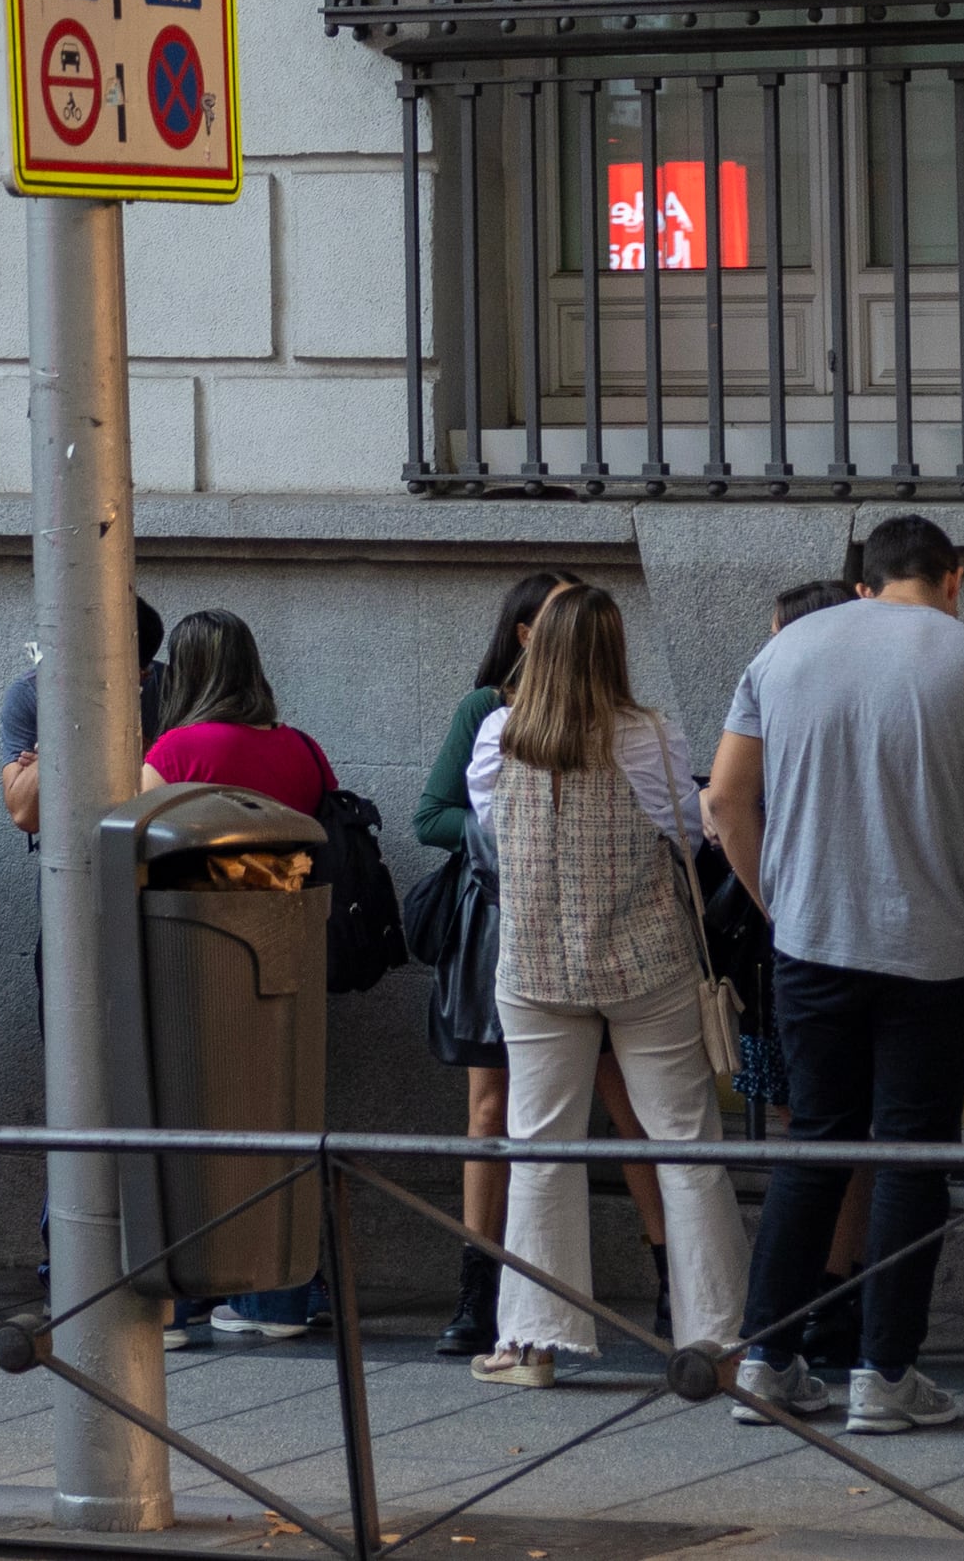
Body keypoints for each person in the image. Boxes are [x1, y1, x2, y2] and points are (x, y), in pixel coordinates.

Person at [701, 510, 964, 1438]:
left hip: (813, 943)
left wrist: (781, 899)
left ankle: (769, 1361)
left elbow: (726, 797)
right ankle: (884, 1374)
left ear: (864, 580)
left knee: (816, 1144)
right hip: (936, 949)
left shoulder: (787, 651)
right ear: (955, 577)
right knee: (910, 1153)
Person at [466, 586, 745, 1386]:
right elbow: (688, 834)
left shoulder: (498, 735)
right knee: (685, 1145)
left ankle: (533, 1342)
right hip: (643, 962)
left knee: (539, 1146)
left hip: (536, 967)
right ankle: (715, 1340)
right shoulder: (649, 735)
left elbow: (490, 832)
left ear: (537, 647)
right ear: (615, 649)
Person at [141, 611, 338, 1339]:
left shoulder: (175, 749)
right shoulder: (301, 750)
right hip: (289, 959)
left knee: (184, 1127)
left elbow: (133, 842)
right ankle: (276, 1296)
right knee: (281, 1120)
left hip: (190, 971)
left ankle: (182, 1292)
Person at [413, 571, 584, 1355]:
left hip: (585, 927)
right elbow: (431, 816)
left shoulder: (605, 710)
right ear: (522, 632)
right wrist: (511, 840)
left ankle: (645, 1287)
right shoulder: (487, 710)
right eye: (554, 617)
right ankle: (475, 1295)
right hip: (497, 923)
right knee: (490, 1110)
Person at [0, 598, 165, 845]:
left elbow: (178, 792)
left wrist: (59, 767)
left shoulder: (168, 688)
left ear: (142, 672)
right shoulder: (30, 694)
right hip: (66, 861)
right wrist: (63, 740)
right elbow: (25, 815)